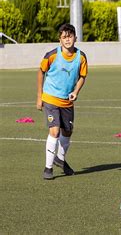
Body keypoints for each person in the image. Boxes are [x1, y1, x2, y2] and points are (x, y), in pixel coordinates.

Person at [36, 23, 88, 180]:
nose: (67, 39)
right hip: (51, 98)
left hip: (67, 102)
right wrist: (39, 96)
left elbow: (83, 76)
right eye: (64, 37)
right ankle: (48, 168)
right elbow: (41, 72)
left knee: (67, 132)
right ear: (60, 40)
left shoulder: (81, 57)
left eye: (70, 36)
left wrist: (75, 92)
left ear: (75, 38)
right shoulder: (51, 55)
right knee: (55, 131)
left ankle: (60, 158)